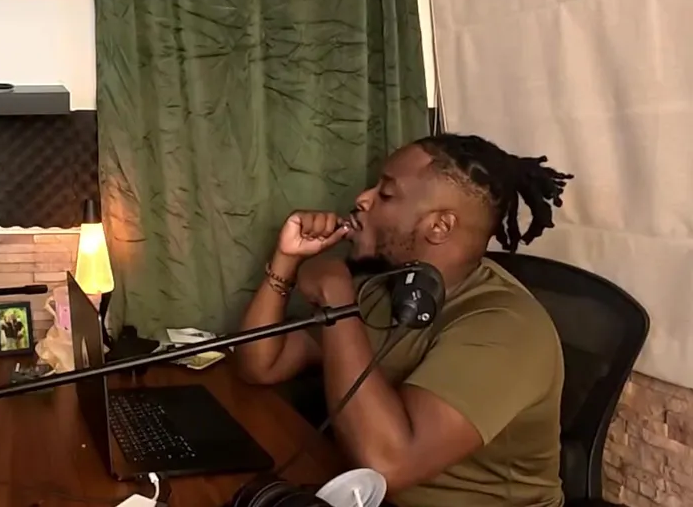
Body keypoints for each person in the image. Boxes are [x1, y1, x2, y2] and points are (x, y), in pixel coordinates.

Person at [236, 134, 572, 507]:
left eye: (386, 194)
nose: (362, 199)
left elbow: (387, 465)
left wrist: (336, 297)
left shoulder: (506, 327)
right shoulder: (384, 290)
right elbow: (261, 364)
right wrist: (286, 261)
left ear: (439, 226)